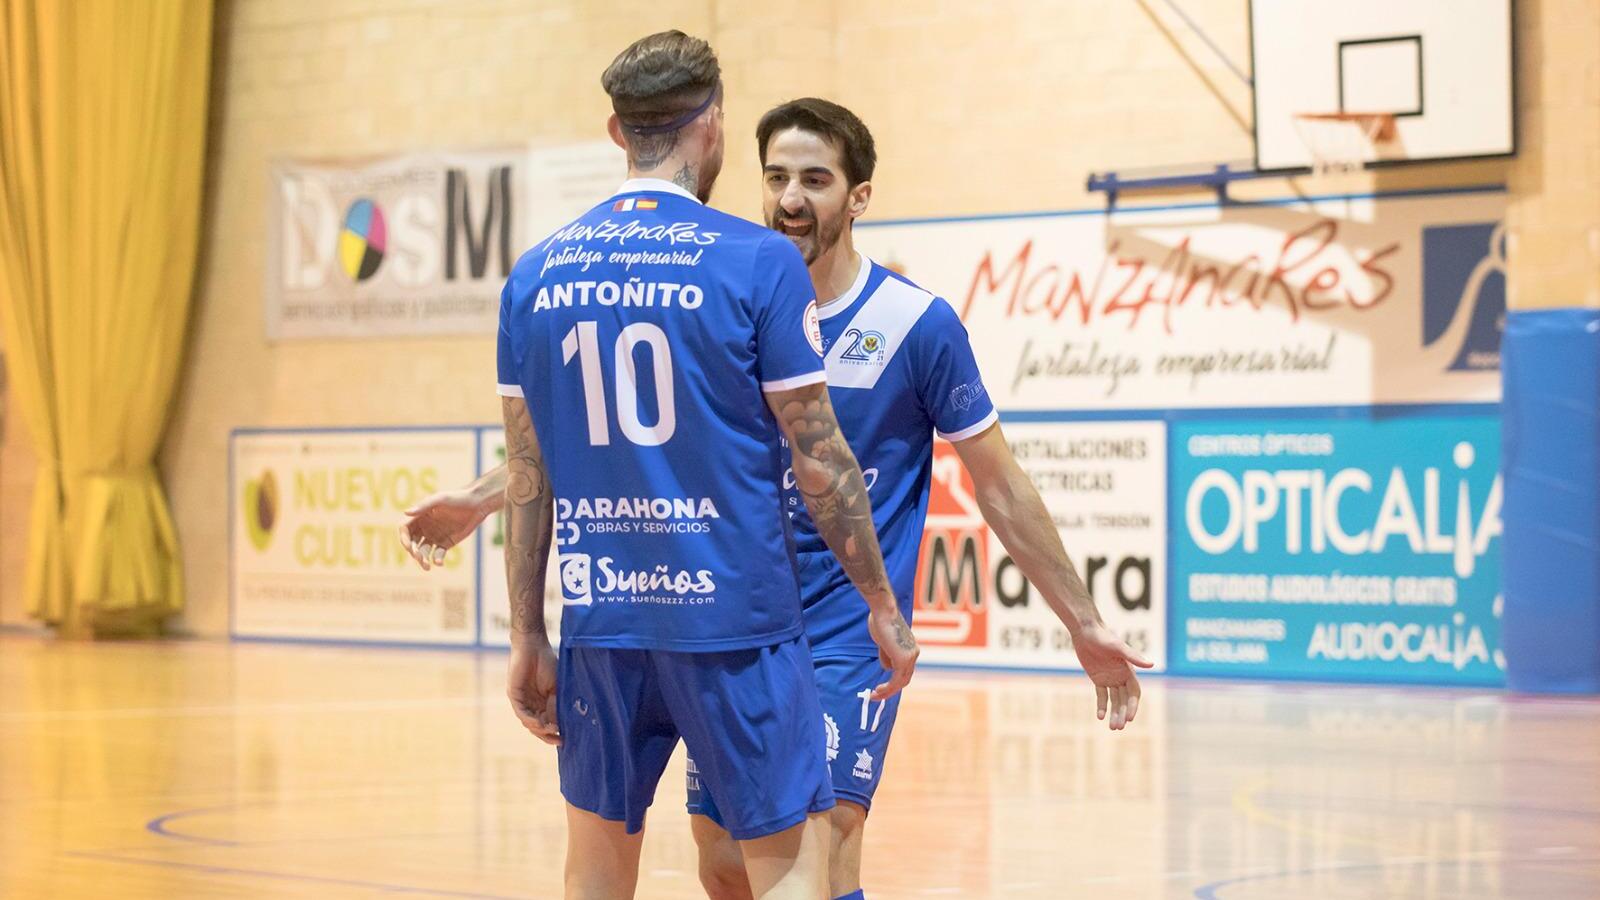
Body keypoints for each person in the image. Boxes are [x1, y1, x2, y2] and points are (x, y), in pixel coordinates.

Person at [407, 97, 1148, 900]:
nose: (791, 196)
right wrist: (487, 497)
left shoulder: (914, 325)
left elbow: (999, 484)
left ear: (858, 196)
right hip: (731, 626)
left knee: (819, 861)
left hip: (840, 637)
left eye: (816, 179)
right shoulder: (734, 298)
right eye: (776, 177)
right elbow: (635, 442)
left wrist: (1083, 620)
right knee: (724, 866)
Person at [490, 34, 917, 900]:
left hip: (602, 625)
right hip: (738, 629)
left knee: (595, 875)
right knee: (788, 872)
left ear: (618, 130)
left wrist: (528, 632)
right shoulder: (756, 262)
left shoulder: (534, 277)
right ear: (713, 126)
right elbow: (820, 457)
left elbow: (528, 474)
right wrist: (880, 602)